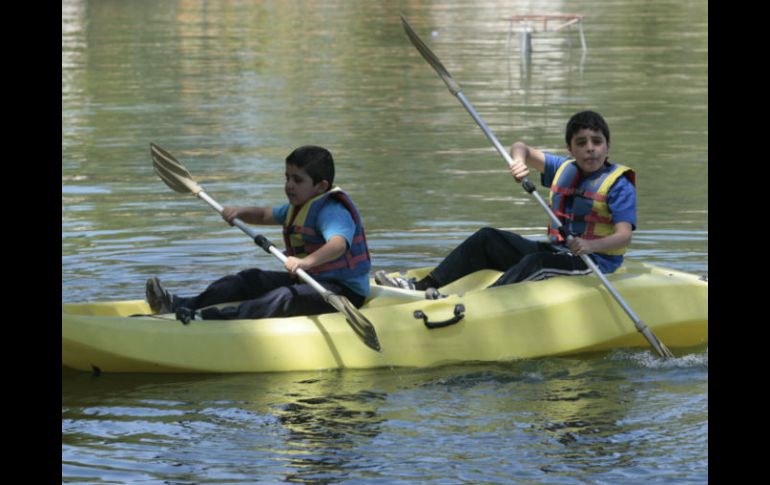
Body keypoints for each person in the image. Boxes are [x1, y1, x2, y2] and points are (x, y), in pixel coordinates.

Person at [375, 110, 636, 293]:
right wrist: (519, 163)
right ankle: (423, 285)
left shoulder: (618, 185)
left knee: (536, 263)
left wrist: (590, 245)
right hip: (560, 251)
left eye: (597, 142)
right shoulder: (563, 167)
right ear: (570, 149)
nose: (590, 148)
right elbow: (520, 147)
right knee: (487, 238)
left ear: (607, 147)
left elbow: (623, 236)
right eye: (581, 143)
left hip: (594, 263)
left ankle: (483, 302)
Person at [146, 145, 371, 323]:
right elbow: (264, 215)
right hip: (312, 279)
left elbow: (338, 244)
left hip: (344, 292)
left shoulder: (333, 211)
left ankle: (212, 319)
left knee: (284, 297)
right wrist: (239, 212)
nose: (289, 185)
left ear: (321, 187)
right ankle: (178, 305)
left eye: (298, 180)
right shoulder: (299, 206)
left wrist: (306, 262)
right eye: (287, 178)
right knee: (248, 278)